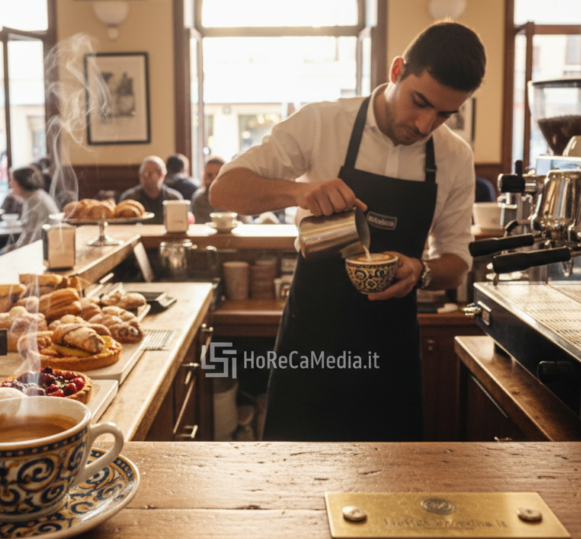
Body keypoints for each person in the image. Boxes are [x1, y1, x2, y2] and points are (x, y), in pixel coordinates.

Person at [210, 21, 485, 442]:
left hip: (390, 352)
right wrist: (299, 191)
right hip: (313, 339)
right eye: (420, 102)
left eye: (446, 113)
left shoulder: (453, 156)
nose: (427, 124)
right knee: (292, 476)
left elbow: (457, 261)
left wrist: (421, 271)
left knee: (390, 486)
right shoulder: (323, 122)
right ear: (397, 71)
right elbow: (224, 189)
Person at [0, 166, 59, 253]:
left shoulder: (36, 200)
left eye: (12, 180)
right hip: (42, 248)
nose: (10, 185)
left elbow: (32, 235)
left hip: (48, 250)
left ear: (21, 182)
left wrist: (14, 251)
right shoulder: (33, 197)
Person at [119, 156, 183, 225]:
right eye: (141, 174)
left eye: (148, 174)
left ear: (161, 175)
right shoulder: (130, 199)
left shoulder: (174, 199)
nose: (143, 178)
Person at [190, 155, 227, 224]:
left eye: (218, 174)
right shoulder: (198, 200)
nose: (214, 179)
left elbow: (245, 224)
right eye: (209, 175)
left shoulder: (235, 198)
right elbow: (197, 227)